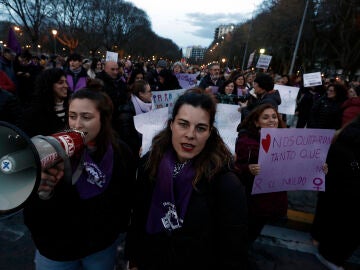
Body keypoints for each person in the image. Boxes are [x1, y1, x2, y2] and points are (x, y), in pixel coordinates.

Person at [125, 90, 248, 270]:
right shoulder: (149, 164)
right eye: (183, 124)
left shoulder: (225, 183)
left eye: (200, 128)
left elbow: (233, 247)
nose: (191, 135)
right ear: (171, 125)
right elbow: (138, 217)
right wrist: (134, 258)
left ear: (210, 132)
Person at [23, 88, 136, 270]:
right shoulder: (53, 150)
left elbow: (125, 199)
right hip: (56, 251)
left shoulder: (121, 154)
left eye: (86, 117)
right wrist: (42, 191)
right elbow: (32, 210)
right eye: (72, 116)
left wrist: (113, 229)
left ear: (103, 119)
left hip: (100, 248)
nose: (77, 124)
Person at [311, 115, 360, 270]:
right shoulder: (351, 139)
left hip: (340, 187)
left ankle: (322, 243)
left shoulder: (347, 133)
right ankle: (329, 255)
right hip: (347, 189)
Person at [234, 103, 288, 245]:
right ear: (256, 122)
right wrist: (248, 169)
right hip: (251, 200)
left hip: (271, 199)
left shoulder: (287, 140)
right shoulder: (245, 141)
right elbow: (235, 167)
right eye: (265, 117)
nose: (271, 120)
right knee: (244, 233)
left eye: (274, 117)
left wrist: (316, 168)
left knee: (255, 231)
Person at [20, 68, 70, 137]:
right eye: (60, 82)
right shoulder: (34, 112)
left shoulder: (72, 105)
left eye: (66, 82)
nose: (66, 86)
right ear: (49, 85)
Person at [117, 79, 152, 158]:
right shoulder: (127, 112)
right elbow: (126, 138)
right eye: (149, 91)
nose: (151, 94)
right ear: (141, 94)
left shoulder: (149, 105)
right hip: (133, 154)